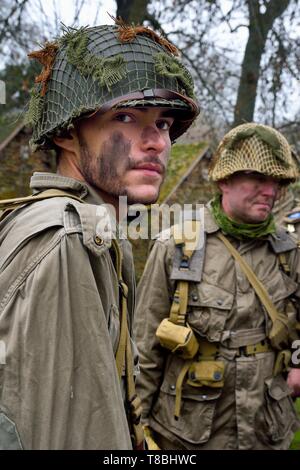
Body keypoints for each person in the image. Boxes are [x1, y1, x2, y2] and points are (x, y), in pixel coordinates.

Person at [0, 22, 199, 449]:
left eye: (164, 124)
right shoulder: (66, 237)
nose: (156, 143)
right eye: (126, 117)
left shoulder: (94, 230)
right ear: (66, 133)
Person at [135, 123, 300, 450]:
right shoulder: (177, 247)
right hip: (189, 433)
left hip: (266, 428)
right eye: (258, 179)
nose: (270, 191)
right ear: (225, 180)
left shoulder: (290, 252)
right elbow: (145, 347)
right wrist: (136, 429)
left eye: (276, 182)